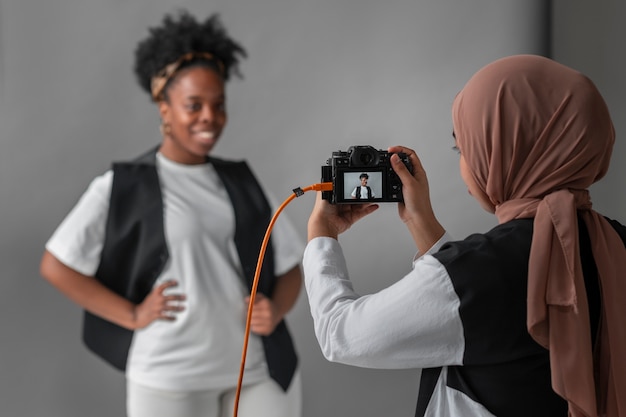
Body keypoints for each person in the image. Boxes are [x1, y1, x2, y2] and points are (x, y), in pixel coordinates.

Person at [303, 54, 626, 417]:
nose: (464, 164)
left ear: (506, 151)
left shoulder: (482, 272)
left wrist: (322, 234)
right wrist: (420, 221)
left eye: (464, 148)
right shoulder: (615, 243)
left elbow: (340, 334)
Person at [40, 10, 304, 417]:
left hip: (256, 371)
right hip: (170, 375)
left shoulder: (242, 181)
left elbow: (291, 263)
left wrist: (276, 308)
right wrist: (131, 314)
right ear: (163, 107)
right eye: (193, 105)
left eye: (218, 105)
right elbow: (56, 265)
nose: (209, 118)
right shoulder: (122, 186)